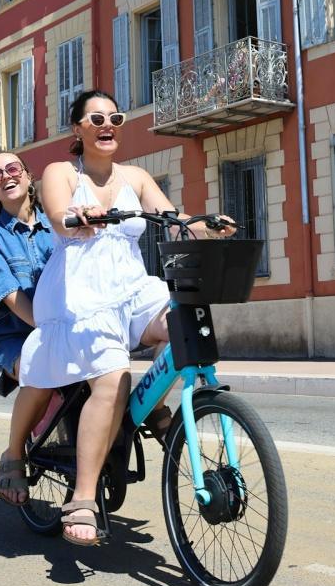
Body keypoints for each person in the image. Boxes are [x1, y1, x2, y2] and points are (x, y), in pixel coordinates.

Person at [20, 90, 236, 547]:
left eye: (114, 117)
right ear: (77, 128)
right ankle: (82, 497)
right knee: (111, 372)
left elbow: (174, 219)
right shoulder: (60, 172)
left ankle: (147, 405)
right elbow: (59, 217)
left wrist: (208, 226)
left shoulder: (135, 177)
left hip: (131, 289)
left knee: (182, 318)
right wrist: (80, 215)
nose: (107, 124)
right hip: (77, 294)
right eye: (95, 118)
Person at [0, 150, 56, 506]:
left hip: (56, 327)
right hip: (14, 336)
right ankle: (14, 455)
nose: (6, 176)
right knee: (39, 370)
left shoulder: (57, 226)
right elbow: (7, 293)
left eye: (13, 168)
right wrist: (49, 327)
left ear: (28, 176)